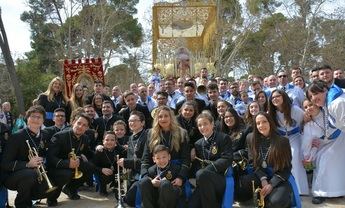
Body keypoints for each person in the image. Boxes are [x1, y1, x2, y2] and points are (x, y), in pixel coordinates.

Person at [1, 105, 56, 207]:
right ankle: (22, 204)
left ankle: (30, 199)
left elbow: (46, 154)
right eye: (32, 116)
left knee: (52, 183)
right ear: (27, 118)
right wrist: (27, 164)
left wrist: (43, 160)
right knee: (30, 174)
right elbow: (5, 164)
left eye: (39, 117)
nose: (35, 119)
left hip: (34, 173)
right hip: (12, 176)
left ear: (43, 120)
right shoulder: (16, 137)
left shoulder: (45, 135)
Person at [242, 112, 295, 208]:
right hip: (260, 175)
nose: (261, 125)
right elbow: (252, 162)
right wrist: (263, 179)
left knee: (276, 202)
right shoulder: (250, 138)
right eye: (258, 123)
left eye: (264, 122)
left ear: (270, 122)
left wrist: (271, 184)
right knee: (243, 184)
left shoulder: (283, 141)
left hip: (278, 177)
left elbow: (287, 168)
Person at [140, 106, 190, 206]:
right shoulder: (150, 133)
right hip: (155, 173)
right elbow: (145, 159)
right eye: (160, 116)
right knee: (144, 182)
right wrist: (148, 178)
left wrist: (181, 177)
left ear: (171, 117)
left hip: (174, 176)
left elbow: (186, 159)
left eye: (166, 116)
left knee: (165, 185)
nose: (163, 119)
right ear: (156, 119)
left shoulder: (182, 133)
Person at [305, 80, 345, 204]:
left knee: (327, 158)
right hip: (338, 137)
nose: (312, 99)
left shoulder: (336, 102)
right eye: (310, 97)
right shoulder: (327, 103)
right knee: (321, 156)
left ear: (324, 90)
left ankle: (323, 192)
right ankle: (329, 190)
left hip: (341, 138)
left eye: (314, 94)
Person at [46, 113, 94, 204]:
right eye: (79, 123)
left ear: (87, 128)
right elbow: (50, 158)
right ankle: (52, 197)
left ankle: (70, 189)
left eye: (84, 125)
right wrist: (67, 163)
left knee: (89, 167)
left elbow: (87, 152)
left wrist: (100, 150)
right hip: (56, 167)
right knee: (67, 173)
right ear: (73, 122)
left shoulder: (85, 138)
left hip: (73, 165)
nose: (80, 127)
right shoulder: (59, 136)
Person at [268, 89, 309, 195]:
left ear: (284, 97)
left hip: (295, 136)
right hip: (280, 139)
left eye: (278, 96)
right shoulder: (271, 113)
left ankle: (300, 190)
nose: (275, 99)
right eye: (273, 97)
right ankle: (285, 188)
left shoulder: (294, 109)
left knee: (295, 158)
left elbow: (305, 121)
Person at [189, 111, 233, 208]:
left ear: (212, 124)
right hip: (204, 179)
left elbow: (227, 159)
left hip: (221, 178)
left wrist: (207, 170)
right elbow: (197, 165)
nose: (202, 127)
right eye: (200, 125)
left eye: (205, 124)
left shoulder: (223, 138)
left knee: (201, 174)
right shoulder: (198, 144)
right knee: (192, 205)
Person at [117, 111, 148, 207]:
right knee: (118, 190)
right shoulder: (130, 138)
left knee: (129, 198)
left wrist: (126, 162)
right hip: (132, 172)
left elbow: (146, 161)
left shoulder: (147, 136)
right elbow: (130, 157)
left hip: (142, 172)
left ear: (142, 123)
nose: (131, 123)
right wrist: (124, 176)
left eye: (135, 120)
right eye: (130, 121)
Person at [92, 131, 126, 196]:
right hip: (103, 175)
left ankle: (117, 186)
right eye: (107, 140)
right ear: (103, 141)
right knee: (104, 176)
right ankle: (102, 189)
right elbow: (93, 166)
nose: (109, 142)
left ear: (116, 142)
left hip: (116, 173)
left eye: (112, 140)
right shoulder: (99, 151)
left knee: (126, 174)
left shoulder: (119, 150)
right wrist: (101, 169)